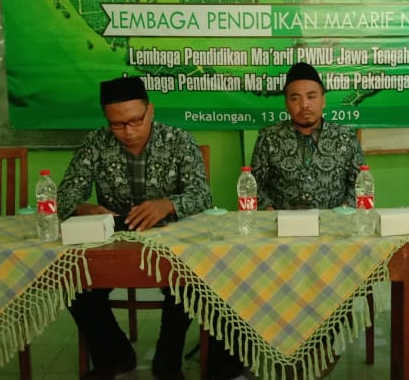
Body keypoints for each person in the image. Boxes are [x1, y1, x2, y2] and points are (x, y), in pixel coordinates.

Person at [57, 76, 242, 380]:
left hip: (171, 243)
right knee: (72, 279)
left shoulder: (178, 141)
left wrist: (166, 204)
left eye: (136, 120)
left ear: (150, 111)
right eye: (117, 124)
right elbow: (64, 195)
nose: (128, 131)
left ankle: (167, 360)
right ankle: (115, 355)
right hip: (114, 243)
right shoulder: (95, 143)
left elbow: (201, 196)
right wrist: (85, 208)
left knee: (187, 282)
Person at [251, 62, 364, 210]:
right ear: (286, 104)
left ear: (323, 101)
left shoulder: (345, 137)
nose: (304, 105)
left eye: (311, 96)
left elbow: (360, 184)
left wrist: (342, 213)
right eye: (295, 98)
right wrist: (272, 215)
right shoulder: (269, 138)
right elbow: (254, 186)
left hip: (334, 222)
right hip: (282, 223)